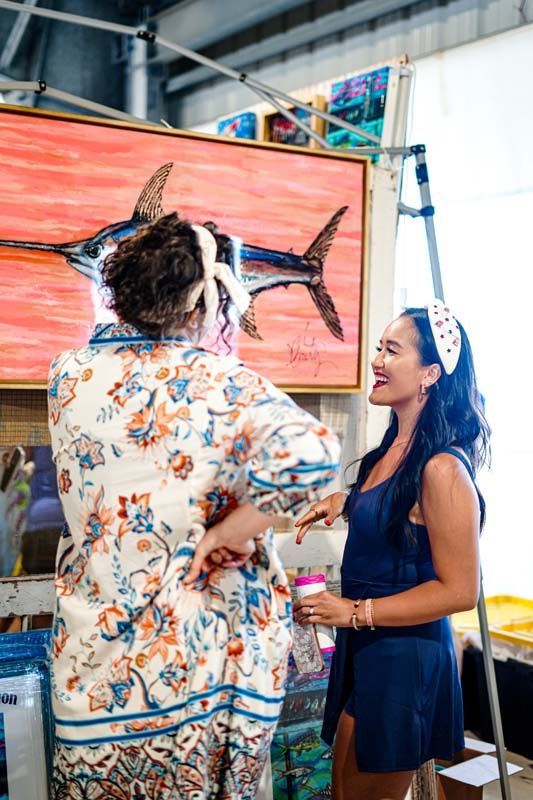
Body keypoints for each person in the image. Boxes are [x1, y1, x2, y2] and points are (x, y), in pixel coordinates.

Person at [48, 212, 340, 800]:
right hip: (201, 670)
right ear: (201, 304)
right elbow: (317, 455)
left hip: (95, 671)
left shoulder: (68, 375)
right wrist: (232, 530)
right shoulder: (223, 384)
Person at [294, 302, 490, 800]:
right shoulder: (392, 451)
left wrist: (354, 611)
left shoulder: (443, 470)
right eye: (379, 348)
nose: (377, 360)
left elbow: (460, 590)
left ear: (430, 373)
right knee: (343, 791)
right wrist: (344, 503)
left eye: (391, 350)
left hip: (405, 660)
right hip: (370, 649)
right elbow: (397, 511)